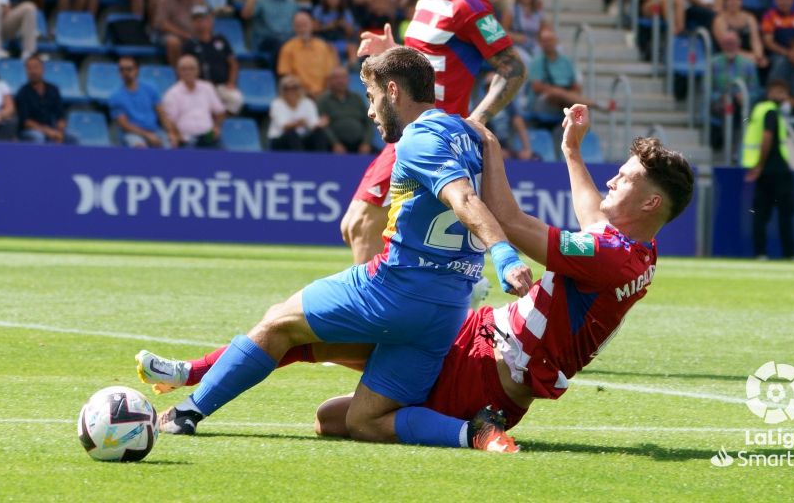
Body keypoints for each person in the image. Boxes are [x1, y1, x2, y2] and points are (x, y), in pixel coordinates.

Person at [136, 103, 694, 450]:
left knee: (347, 419)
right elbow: (593, 214)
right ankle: (193, 376)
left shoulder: (609, 256)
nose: (609, 183)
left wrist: (492, 151)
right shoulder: (639, 252)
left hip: (489, 373)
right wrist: (572, 153)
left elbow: (509, 221)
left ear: (648, 202)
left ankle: (470, 431)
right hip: (477, 335)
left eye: (621, 181)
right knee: (318, 372)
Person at [149, 46, 534, 455]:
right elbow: (501, 209)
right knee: (359, 421)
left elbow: (464, 200)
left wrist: (506, 258)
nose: (370, 112)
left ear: (392, 91)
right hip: (446, 312)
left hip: (393, 290)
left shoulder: (419, 138)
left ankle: (187, 412)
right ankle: (472, 433)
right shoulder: (472, 136)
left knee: (278, 323)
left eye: (370, 97)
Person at [342, 0, 526, 265]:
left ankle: (375, 317)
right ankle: (416, 306)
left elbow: (513, 68)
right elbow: (433, 64)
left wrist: (477, 119)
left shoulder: (469, 6)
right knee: (355, 226)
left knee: (363, 227)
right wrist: (394, 52)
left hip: (431, 134)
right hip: (406, 130)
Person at [743, 80, 794, 260]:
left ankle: (760, 253)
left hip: (765, 172)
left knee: (760, 215)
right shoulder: (771, 111)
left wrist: (758, 166)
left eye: (785, 92)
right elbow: (767, 137)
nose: (783, 96)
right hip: (776, 171)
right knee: (785, 215)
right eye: (779, 92)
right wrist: (759, 165)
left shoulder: (758, 109)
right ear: (770, 92)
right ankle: (789, 254)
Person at [529, 27, 600, 122]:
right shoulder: (537, 62)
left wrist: (565, 94)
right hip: (544, 101)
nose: (548, 43)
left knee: (571, 102)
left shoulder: (566, 61)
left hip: (565, 100)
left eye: (550, 40)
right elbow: (536, 87)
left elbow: (576, 85)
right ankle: (593, 104)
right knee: (557, 94)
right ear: (540, 43)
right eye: (545, 41)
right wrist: (558, 91)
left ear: (556, 41)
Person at [182, 6, 243, 114]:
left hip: (221, 85)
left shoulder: (221, 40)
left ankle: (219, 122)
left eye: (203, 20)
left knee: (236, 99)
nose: (200, 24)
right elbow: (185, 67)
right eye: (196, 20)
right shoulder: (189, 44)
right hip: (200, 86)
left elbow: (233, 64)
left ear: (210, 21)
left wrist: (231, 82)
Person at [108, 56, 177, 148]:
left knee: (170, 146)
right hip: (131, 134)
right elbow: (124, 125)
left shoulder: (150, 88)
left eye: (128, 69)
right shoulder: (115, 97)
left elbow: (161, 114)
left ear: (137, 70)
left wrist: (171, 133)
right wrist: (147, 135)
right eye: (121, 70)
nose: (125, 73)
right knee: (139, 146)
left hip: (154, 130)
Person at [708, 31, 760, 149]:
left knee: (738, 110)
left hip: (742, 104)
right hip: (719, 104)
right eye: (727, 43)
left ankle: (734, 148)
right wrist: (720, 97)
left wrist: (745, 96)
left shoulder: (748, 65)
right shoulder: (713, 64)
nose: (730, 46)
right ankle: (732, 148)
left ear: (738, 44)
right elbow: (706, 91)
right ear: (721, 45)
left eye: (732, 43)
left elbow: (755, 91)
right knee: (730, 109)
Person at [161, 54, 226, 147]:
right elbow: (169, 121)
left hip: (208, 136)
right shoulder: (172, 94)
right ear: (178, 72)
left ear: (198, 71)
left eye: (191, 68)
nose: (188, 72)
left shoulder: (207, 88)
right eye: (184, 69)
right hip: (187, 138)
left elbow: (220, 111)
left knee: (225, 158)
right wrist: (176, 136)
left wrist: (216, 127)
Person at [241, 0, 298, 70]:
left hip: (289, 39)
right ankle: (280, 76)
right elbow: (246, 14)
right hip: (267, 40)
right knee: (279, 45)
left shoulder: (291, 2)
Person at [277, 11, 339, 98]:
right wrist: (305, 92)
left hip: (324, 95)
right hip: (299, 94)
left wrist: (324, 94)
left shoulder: (323, 46)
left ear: (312, 25)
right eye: (299, 26)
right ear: (294, 28)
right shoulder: (287, 48)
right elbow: (286, 76)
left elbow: (330, 74)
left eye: (305, 25)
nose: (302, 29)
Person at [153, 0, 206, 67]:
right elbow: (162, 24)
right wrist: (185, 35)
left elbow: (204, 18)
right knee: (173, 42)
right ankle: (177, 73)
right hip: (168, 34)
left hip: (192, 34)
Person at [15, 56, 74, 144]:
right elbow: (26, 122)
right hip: (30, 131)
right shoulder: (23, 93)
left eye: (36, 67)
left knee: (72, 137)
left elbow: (60, 116)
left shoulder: (53, 89)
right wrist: (48, 131)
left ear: (43, 69)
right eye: (29, 68)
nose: (33, 71)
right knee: (38, 137)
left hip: (52, 128)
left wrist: (60, 131)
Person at [316, 66, 374, 153]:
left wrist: (366, 143)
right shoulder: (323, 100)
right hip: (333, 146)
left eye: (343, 77)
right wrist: (335, 143)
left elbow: (369, 122)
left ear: (348, 80)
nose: (340, 81)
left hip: (359, 144)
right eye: (336, 78)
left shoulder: (357, 98)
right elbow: (323, 125)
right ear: (330, 81)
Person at [267, 75, 330, 151]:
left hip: (302, 138)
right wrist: (299, 123)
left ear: (300, 89)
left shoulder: (308, 103)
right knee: (291, 134)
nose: (291, 91)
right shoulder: (277, 104)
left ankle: (322, 160)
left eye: (294, 88)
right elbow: (284, 126)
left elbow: (313, 124)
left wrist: (320, 124)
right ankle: (300, 161)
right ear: (282, 90)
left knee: (319, 134)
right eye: (286, 88)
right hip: (279, 140)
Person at [712, 0, 767, 68]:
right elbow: (726, 46)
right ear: (725, 2)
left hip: (751, 56)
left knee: (764, 62)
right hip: (728, 56)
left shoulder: (750, 18)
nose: (733, 2)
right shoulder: (719, 20)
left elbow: (756, 41)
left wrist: (758, 56)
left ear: (741, 1)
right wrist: (748, 57)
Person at [501, 0, 549, 65]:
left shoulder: (538, 11)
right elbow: (502, 33)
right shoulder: (511, 10)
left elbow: (544, 30)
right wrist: (515, 37)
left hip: (534, 44)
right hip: (516, 45)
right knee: (528, 61)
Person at [311, 0, 358, 66]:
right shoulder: (319, 10)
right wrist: (329, 25)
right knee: (332, 48)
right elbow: (314, 28)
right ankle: (337, 68)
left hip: (340, 39)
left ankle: (352, 67)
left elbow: (350, 32)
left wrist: (345, 25)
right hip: (324, 40)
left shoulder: (345, 12)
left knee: (352, 47)